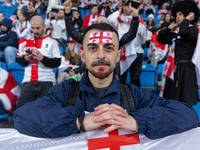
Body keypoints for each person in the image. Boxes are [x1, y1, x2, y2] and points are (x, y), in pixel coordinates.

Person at [13, 23, 199, 139]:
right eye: (93, 48)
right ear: (83, 56)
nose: (101, 55)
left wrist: (135, 121)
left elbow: (188, 115)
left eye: (108, 48)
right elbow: (22, 117)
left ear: (118, 56)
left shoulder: (134, 95)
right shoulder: (65, 92)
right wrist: (79, 122)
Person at [157, 0, 200, 106]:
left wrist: (186, 20)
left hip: (186, 69)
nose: (177, 17)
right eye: (176, 15)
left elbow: (185, 32)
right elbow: (161, 38)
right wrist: (169, 28)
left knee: (185, 100)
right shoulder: (176, 33)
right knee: (171, 99)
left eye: (180, 14)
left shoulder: (194, 30)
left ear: (188, 14)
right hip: (173, 68)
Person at [16, 15, 61, 108]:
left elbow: (57, 62)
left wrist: (42, 58)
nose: (35, 31)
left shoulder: (53, 42)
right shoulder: (24, 41)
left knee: (46, 110)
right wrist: (26, 59)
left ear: (44, 27)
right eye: (33, 28)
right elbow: (19, 61)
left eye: (38, 28)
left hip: (47, 81)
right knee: (24, 111)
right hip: (28, 81)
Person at [108, 0, 147, 87]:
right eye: (128, 6)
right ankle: (120, 98)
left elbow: (144, 34)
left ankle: (135, 98)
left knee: (135, 78)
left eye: (132, 6)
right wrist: (119, 11)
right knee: (120, 78)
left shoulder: (138, 18)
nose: (130, 8)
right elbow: (110, 20)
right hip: (121, 52)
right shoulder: (117, 18)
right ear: (123, 6)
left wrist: (134, 23)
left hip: (137, 51)